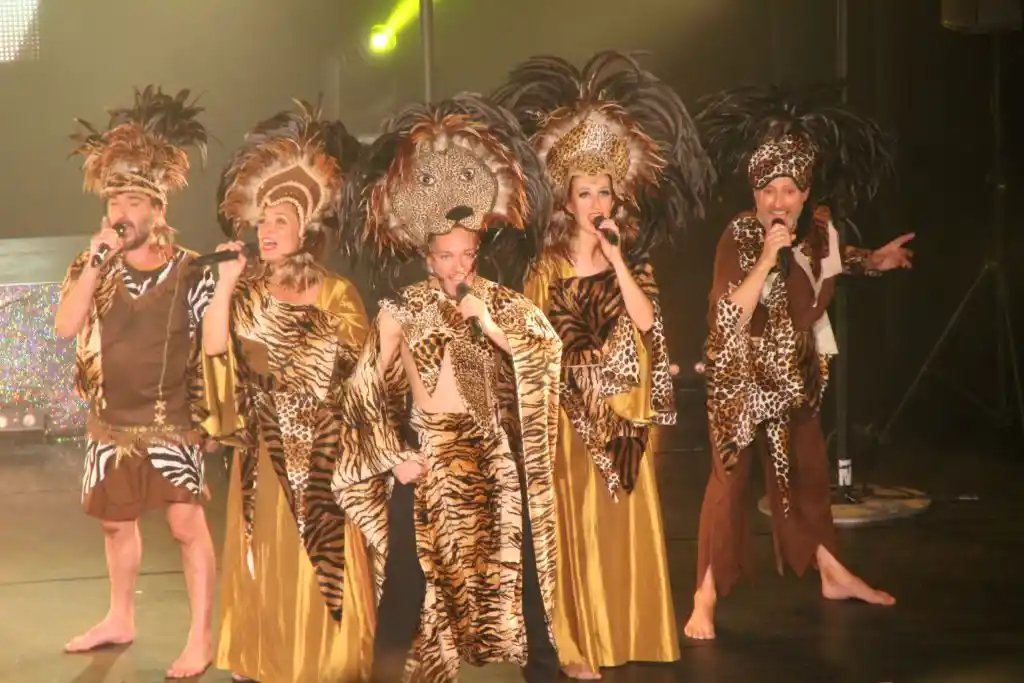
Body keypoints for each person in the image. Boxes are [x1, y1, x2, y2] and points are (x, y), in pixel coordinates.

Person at [493, 51, 715, 679]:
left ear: (617, 198)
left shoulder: (631, 260)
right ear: (567, 201)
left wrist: (617, 260)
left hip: (623, 419)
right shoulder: (544, 267)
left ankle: (630, 631)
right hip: (568, 420)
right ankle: (576, 642)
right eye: (584, 192)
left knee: (622, 528)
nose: (595, 201)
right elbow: (528, 344)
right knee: (576, 531)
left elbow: (646, 323)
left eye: (604, 192)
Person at [331, 94, 562, 683]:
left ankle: (544, 672)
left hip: (494, 462)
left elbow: (546, 353)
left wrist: (491, 327)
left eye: (466, 254)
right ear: (428, 258)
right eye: (445, 256)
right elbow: (361, 391)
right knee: (408, 586)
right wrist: (393, 456)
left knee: (525, 578)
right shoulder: (403, 309)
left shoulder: (503, 305)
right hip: (431, 462)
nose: (457, 266)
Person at [684, 83, 910, 640]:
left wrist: (873, 261)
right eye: (769, 190)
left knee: (808, 478)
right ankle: (703, 596)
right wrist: (766, 257)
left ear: (805, 194)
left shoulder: (818, 233)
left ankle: (831, 573)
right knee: (728, 488)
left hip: (793, 381)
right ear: (755, 194)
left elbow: (829, 263)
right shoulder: (741, 235)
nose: (778, 201)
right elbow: (728, 313)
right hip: (741, 382)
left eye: (789, 190)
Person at [198, 99, 375, 683]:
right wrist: (225, 285)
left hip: (323, 452)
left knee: (321, 557)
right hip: (264, 451)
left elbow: (355, 369)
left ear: (305, 229)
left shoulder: (336, 291)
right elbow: (216, 349)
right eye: (262, 220)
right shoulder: (245, 288)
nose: (266, 230)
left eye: (279, 220)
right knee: (267, 552)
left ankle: (326, 659)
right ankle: (265, 655)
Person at [55, 86, 216, 679]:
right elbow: (65, 326)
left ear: (157, 209)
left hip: (173, 420)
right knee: (114, 522)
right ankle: (120, 617)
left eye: (132, 200)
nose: (121, 210)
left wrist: (214, 419)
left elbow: (216, 349)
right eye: (114, 200)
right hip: (111, 422)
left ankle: (200, 637)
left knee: (184, 524)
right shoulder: (93, 264)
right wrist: (95, 263)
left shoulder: (191, 269)